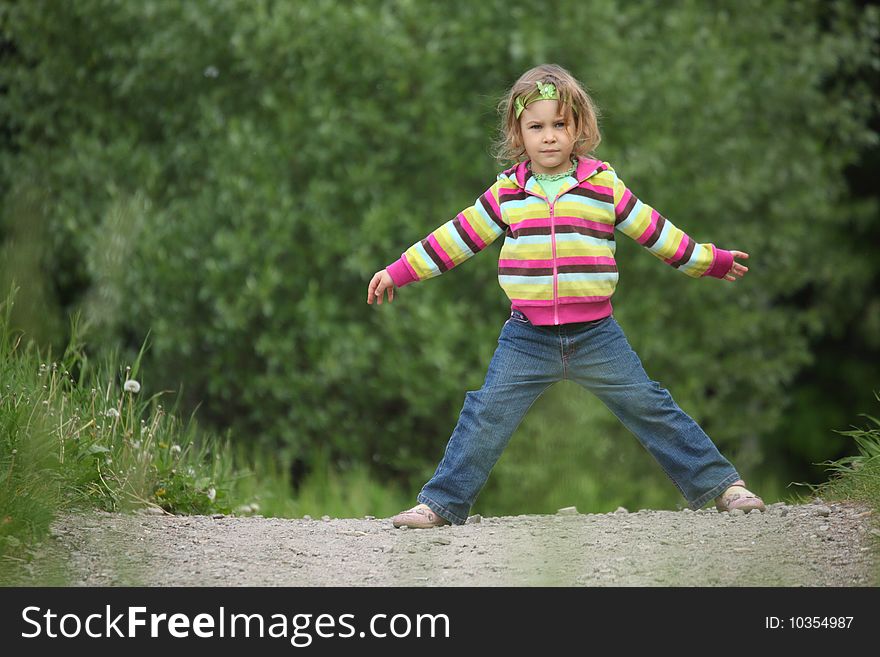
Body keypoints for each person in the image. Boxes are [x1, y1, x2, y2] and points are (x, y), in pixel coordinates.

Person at [366, 64, 765, 529]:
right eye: (537, 126)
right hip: (526, 337)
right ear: (519, 133)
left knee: (650, 405)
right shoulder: (507, 195)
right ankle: (439, 504)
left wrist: (707, 260)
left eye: (560, 124)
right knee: (485, 414)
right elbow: (454, 239)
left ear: (579, 129)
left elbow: (656, 232)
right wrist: (398, 271)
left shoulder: (603, 187)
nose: (550, 136)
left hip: (597, 335)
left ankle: (723, 486)